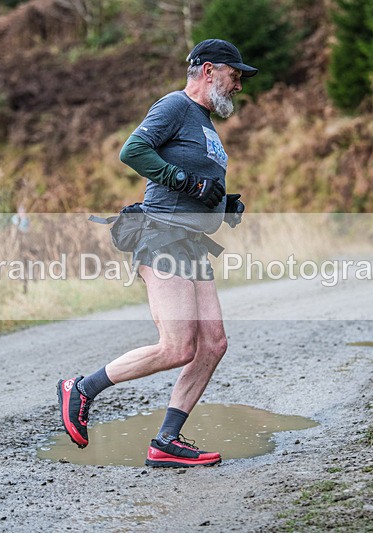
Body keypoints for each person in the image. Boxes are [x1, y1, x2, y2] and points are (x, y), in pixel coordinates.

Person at [57, 39, 255, 468]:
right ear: (208, 71)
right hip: (162, 236)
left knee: (213, 344)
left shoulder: (202, 121)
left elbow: (195, 180)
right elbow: (133, 151)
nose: (239, 84)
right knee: (178, 346)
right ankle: (82, 388)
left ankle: (167, 440)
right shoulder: (175, 106)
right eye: (235, 74)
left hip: (190, 241)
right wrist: (186, 183)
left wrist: (222, 203)